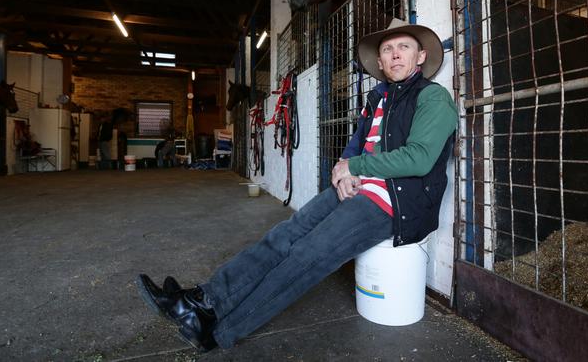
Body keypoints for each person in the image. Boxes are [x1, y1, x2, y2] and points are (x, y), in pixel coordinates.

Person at [136, 18, 457, 352]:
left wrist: (355, 166)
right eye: (387, 49)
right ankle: (201, 301)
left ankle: (218, 330)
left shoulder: (433, 98)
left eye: (403, 47)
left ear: (420, 57)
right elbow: (355, 146)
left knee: (307, 253)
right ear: (379, 62)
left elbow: (418, 159)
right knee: (283, 236)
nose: (394, 55)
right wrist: (341, 171)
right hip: (359, 187)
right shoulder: (377, 100)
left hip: (395, 201)